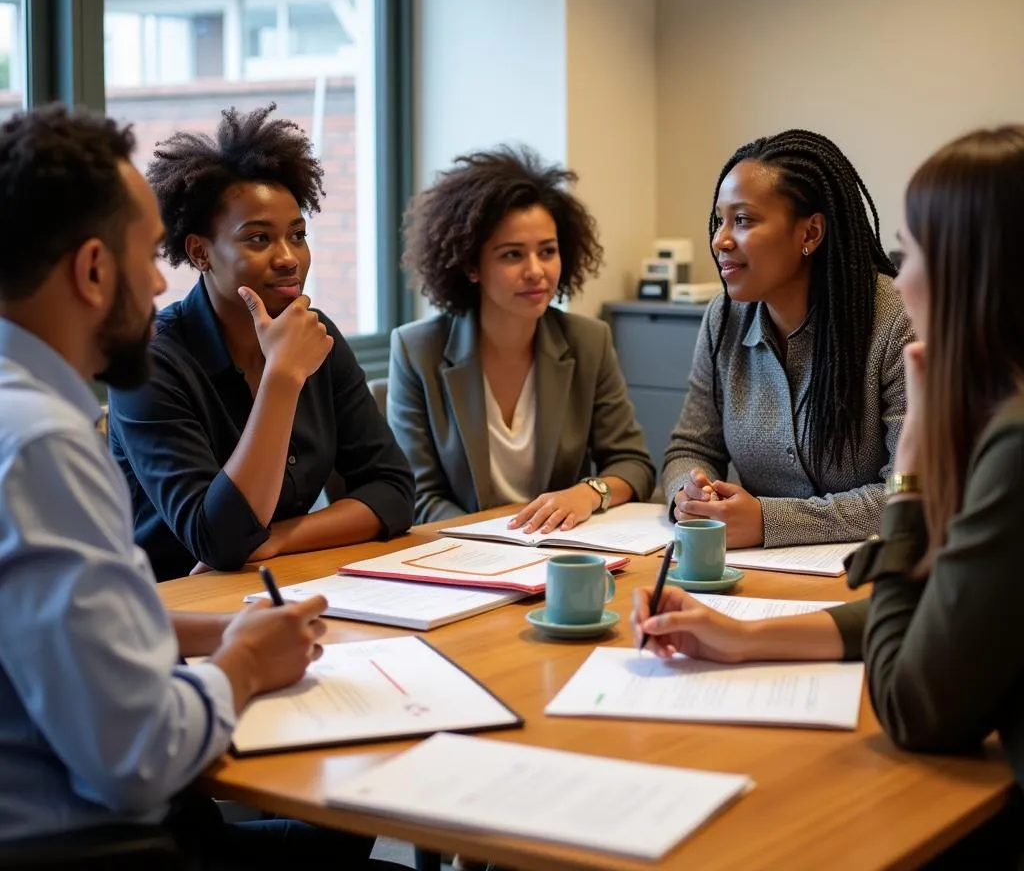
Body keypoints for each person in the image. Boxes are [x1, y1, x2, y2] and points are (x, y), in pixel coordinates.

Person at [634, 126, 1024, 863]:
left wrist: (907, 477)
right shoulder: (723, 322)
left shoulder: (996, 429)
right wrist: (741, 632)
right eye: (720, 219)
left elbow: (915, 705)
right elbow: (960, 601)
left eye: (919, 256)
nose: (902, 277)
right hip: (781, 591)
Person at [0, 103, 377, 866]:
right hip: (100, 845)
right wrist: (242, 664)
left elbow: (70, 629)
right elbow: (137, 758)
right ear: (95, 271)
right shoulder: (42, 445)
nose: (155, 283)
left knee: (344, 818)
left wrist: (239, 632)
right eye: (148, 258)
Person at [107, 104, 414, 581]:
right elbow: (221, 541)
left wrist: (278, 540)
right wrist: (282, 378)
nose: (289, 258)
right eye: (258, 239)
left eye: (298, 235)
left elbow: (393, 490)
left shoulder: (316, 334)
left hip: (280, 582)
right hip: (170, 609)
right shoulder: (151, 364)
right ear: (200, 251)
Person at [663, 129, 913, 548]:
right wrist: (689, 496)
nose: (720, 239)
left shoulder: (894, 322)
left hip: (869, 575)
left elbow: (908, 491)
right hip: (758, 573)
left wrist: (770, 521)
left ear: (810, 233)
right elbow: (689, 447)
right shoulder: (723, 319)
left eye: (742, 220)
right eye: (719, 220)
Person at [390, 145, 655, 530]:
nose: (536, 271)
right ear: (471, 265)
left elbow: (634, 464)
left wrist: (588, 493)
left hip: (559, 550)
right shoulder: (417, 351)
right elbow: (418, 495)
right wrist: (499, 541)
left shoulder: (588, 341)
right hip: (463, 556)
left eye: (547, 251)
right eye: (512, 255)